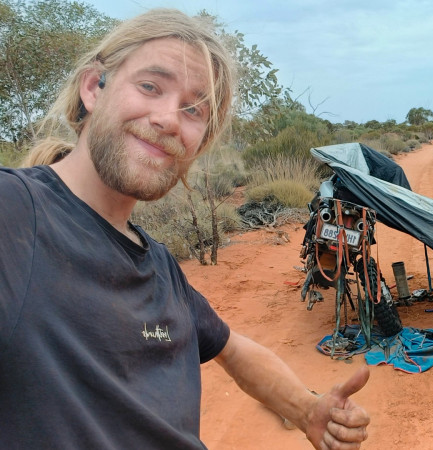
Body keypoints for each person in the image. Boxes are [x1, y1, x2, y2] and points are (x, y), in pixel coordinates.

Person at [0, 9, 370, 449]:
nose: (169, 119)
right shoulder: (16, 215)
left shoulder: (158, 265)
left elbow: (231, 348)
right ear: (93, 88)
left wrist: (306, 409)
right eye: (150, 86)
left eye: (194, 110)